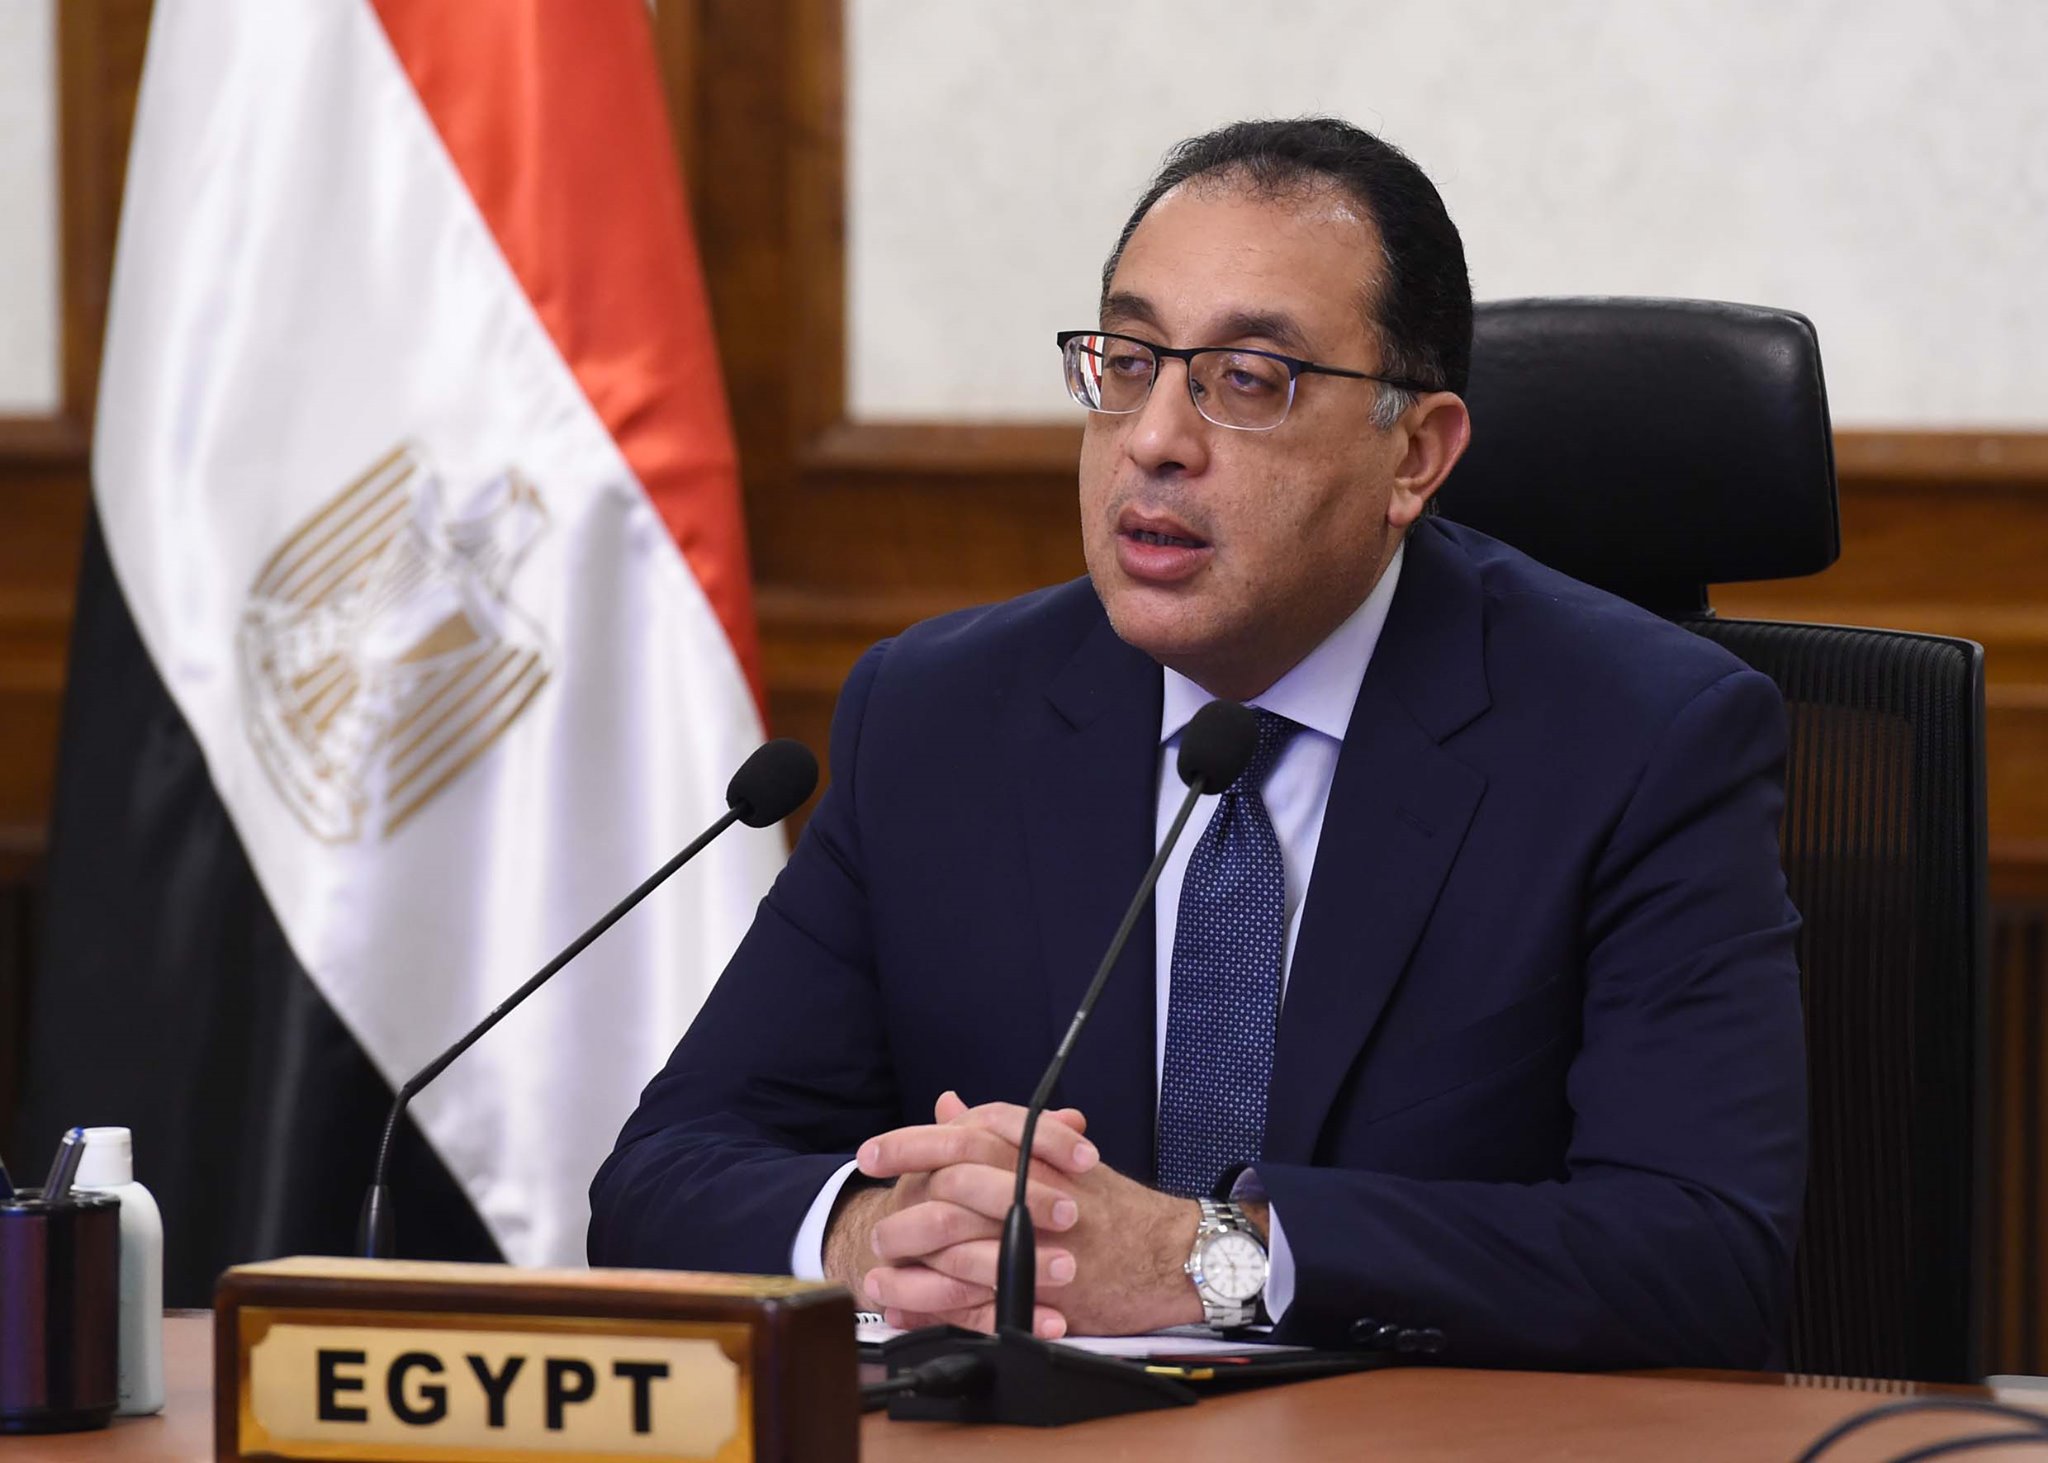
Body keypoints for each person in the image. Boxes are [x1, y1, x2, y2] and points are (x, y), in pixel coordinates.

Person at [588, 117, 1806, 1370]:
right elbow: (662, 1177)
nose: (1153, 439)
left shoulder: (1640, 738)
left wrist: (1207, 1258)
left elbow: (1700, 1253)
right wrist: (876, 1235)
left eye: (1246, 379)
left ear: (1413, 453)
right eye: (1126, 362)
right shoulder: (940, 718)